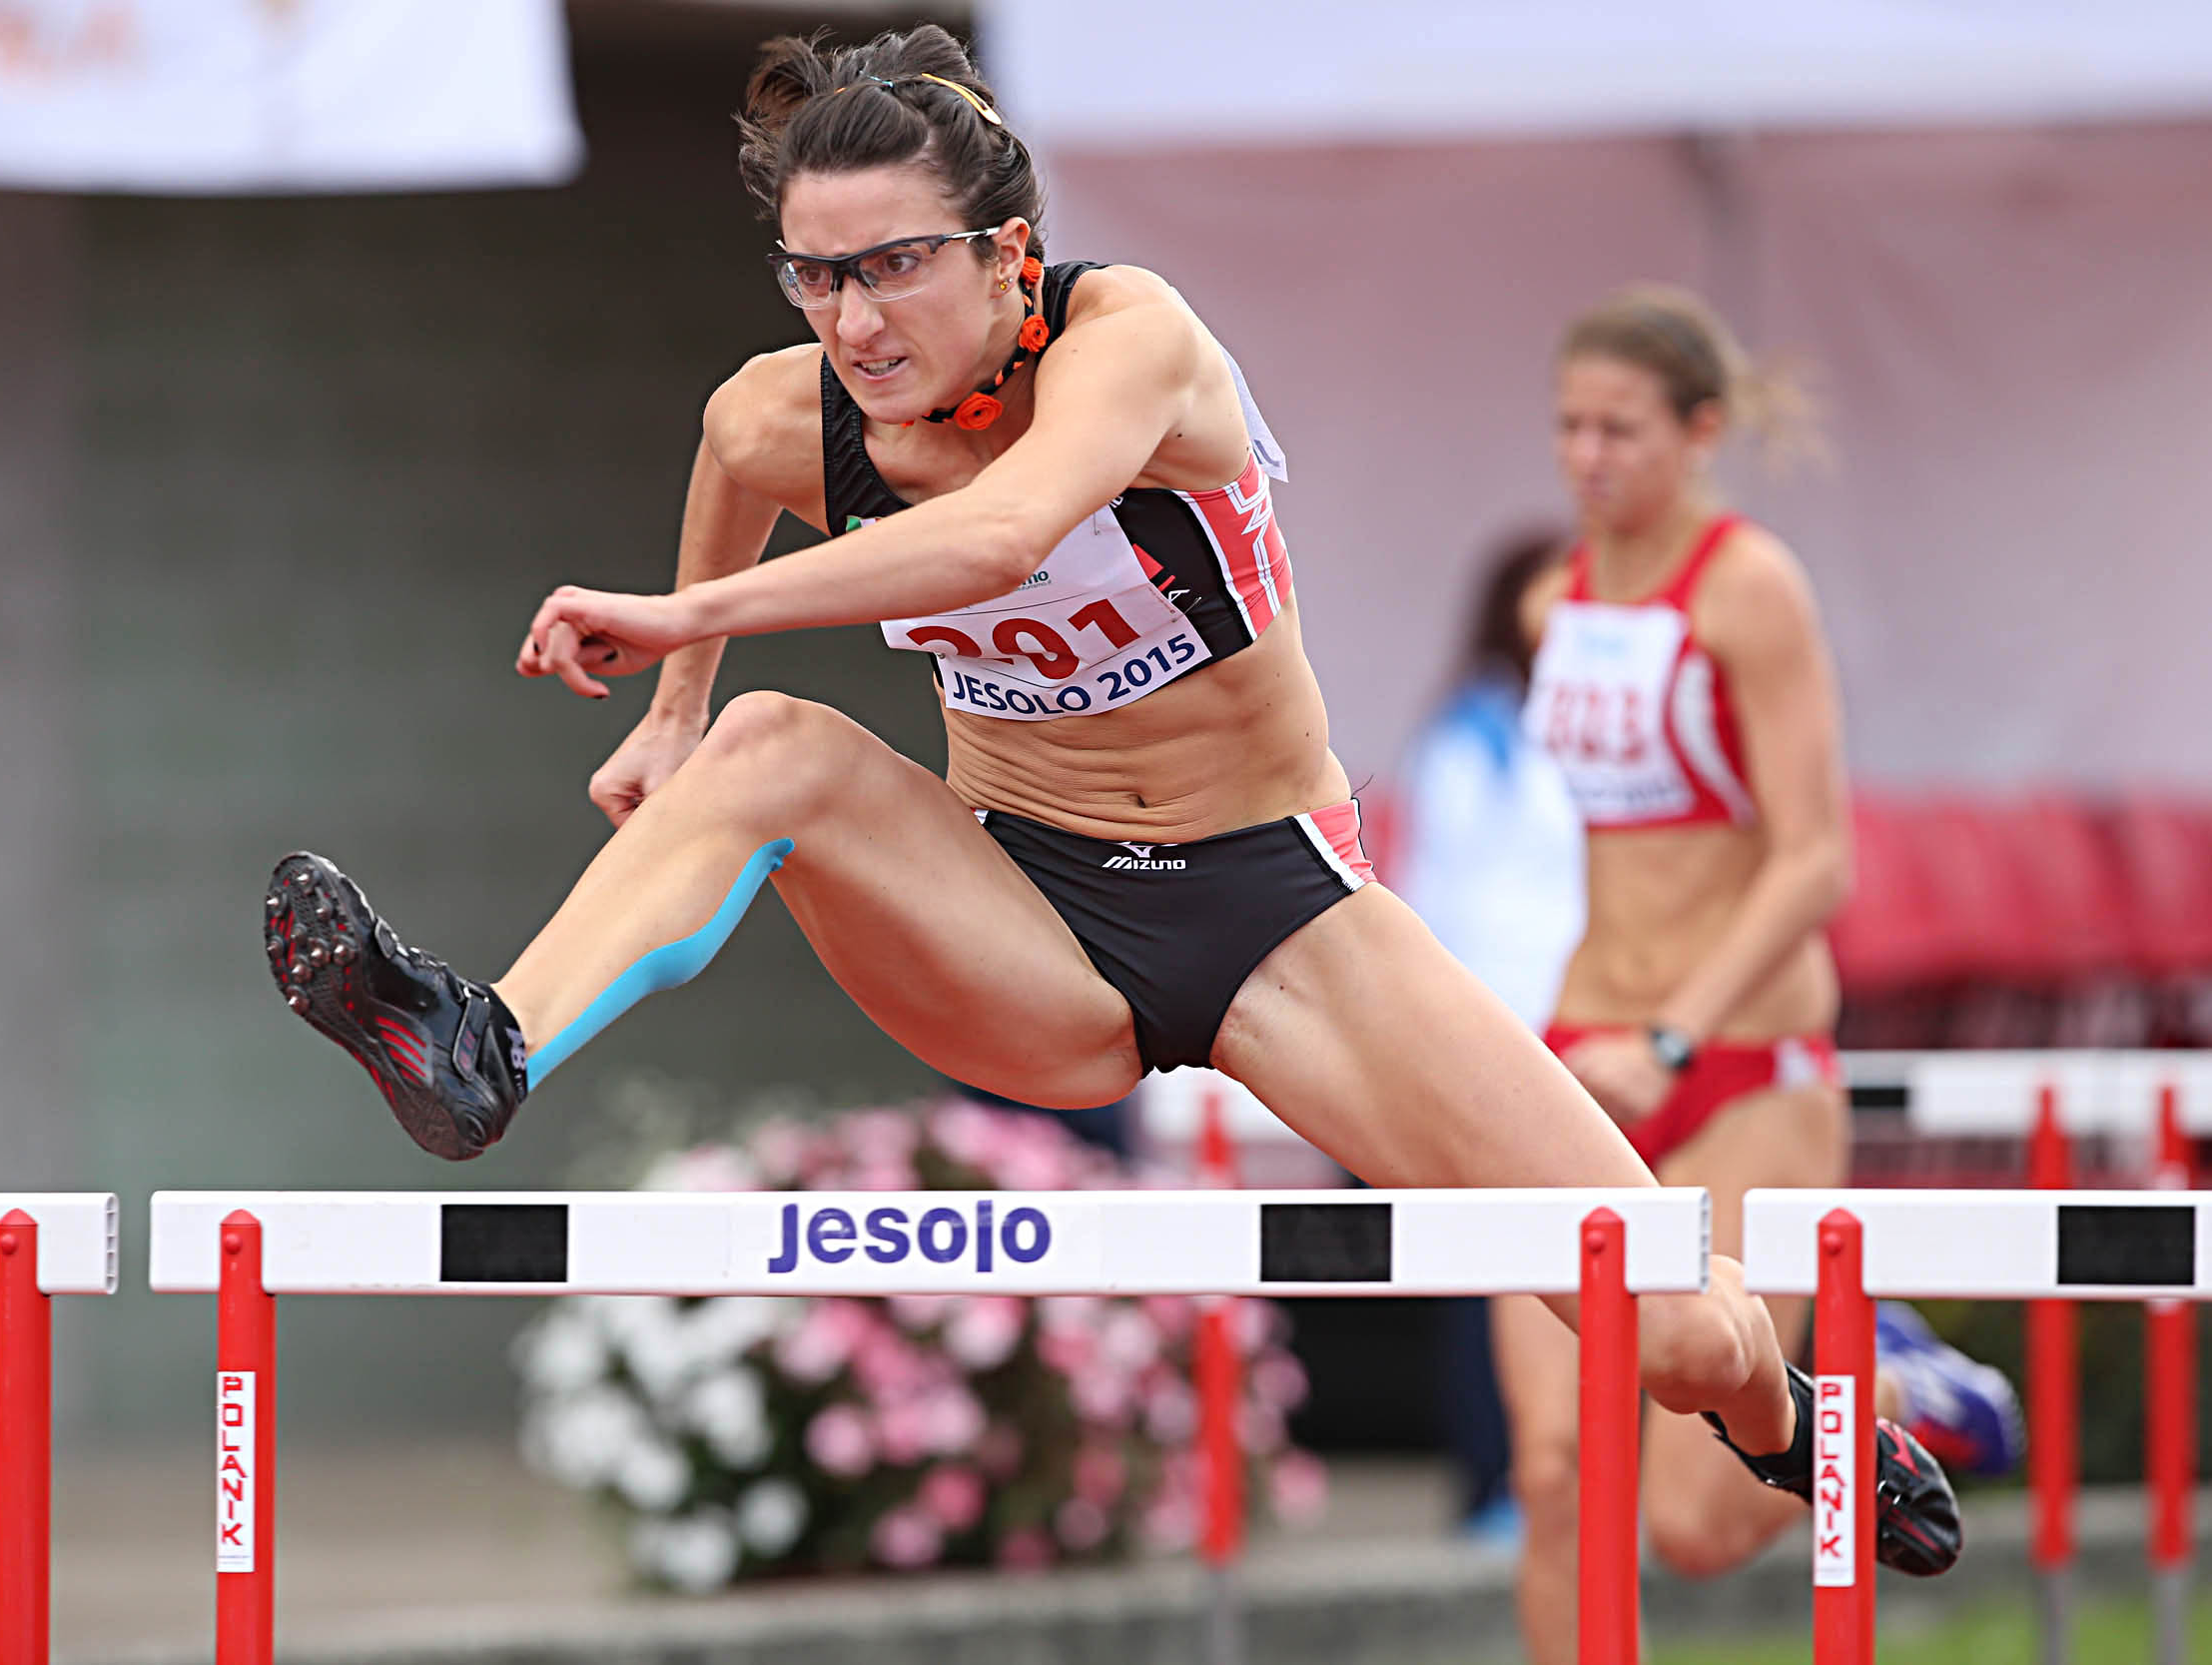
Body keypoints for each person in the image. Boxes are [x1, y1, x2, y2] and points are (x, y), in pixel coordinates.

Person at [256, 27, 1958, 1580]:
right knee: (769, 746)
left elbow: (1004, 538)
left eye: (897, 266)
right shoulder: (794, 414)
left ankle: (1794, 1414)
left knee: (1675, 1329)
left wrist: (683, 613)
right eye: (818, 276)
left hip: (1280, 921)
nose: (856, 323)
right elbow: (729, 453)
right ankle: (484, 1043)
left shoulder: (1134, 342)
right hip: (1030, 913)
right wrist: (676, 710)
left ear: (1010, 256)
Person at [1492, 286, 2002, 1664]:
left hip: (1737, 1063)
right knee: (1551, 1466)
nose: (1588, 455)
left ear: (1701, 431)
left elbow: (1815, 860)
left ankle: (1882, 1385)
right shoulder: (1552, 599)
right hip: (1582, 1049)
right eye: (1569, 426)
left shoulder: (1749, 585)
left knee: (1696, 1523)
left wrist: (1670, 1034)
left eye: (1620, 428)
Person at [1390, 530, 1585, 1544]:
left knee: (1608, 1262)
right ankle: (1494, 1481)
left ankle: (1598, 1476)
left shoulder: (1607, 725)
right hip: (1497, 1041)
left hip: (1598, 1038)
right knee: (1498, 1273)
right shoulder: (1465, 741)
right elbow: (1429, 905)